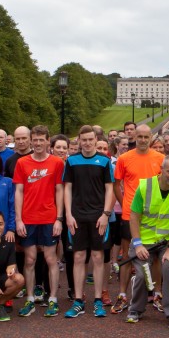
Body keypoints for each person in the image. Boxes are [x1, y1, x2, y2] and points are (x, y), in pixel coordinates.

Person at [126, 155, 169, 329]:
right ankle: (136, 309)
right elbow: (134, 217)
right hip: (144, 241)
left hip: (166, 242)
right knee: (141, 274)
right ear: (161, 170)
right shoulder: (145, 186)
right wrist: (138, 244)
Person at [12, 125, 64, 317]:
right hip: (28, 218)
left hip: (49, 218)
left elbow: (59, 190)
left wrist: (59, 218)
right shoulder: (22, 163)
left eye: (42, 140)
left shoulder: (57, 163)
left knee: (51, 259)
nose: (38, 143)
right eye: (35, 139)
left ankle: (52, 299)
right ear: (31, 141)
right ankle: (30, 299)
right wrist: (18, 219)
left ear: (48, 141)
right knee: (30, 260)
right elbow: (18, 191)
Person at [111, 125, 164, 314]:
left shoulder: (160, 158)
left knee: (156, 257)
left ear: (151, 138)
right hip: (129, 214)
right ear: (135, 138)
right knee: (127, 256)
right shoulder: (125, 159)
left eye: (145, 137)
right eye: (139, 136)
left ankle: (157, 294)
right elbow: (116, 184)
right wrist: (124, 202)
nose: (142, 140)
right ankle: (123, 295)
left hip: (153, 215)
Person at [63, 125, 114, 318]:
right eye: (83, 140)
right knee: (78, 257)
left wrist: (105, 214)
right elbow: (67, 188)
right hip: (77, 215)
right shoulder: (71, 161)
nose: (86, 143)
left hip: (98, 216)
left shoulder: (104, 161)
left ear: (95, 139)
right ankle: (78, 300)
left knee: (98, 257)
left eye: (90, 139)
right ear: (79, 141)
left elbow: (109, 188)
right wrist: (68, 214)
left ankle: (98, 300)